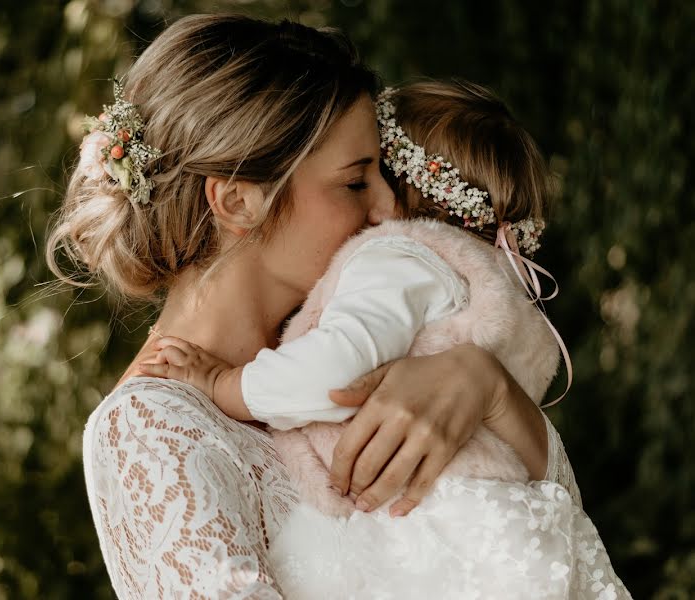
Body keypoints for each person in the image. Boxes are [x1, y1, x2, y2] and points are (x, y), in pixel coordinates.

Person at [48, 14, 584, 598]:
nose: (388, 210)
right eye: (355, 183)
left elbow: (554, 548)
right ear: (238, 201)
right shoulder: (150, 428)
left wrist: (494, 392)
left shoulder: (379, 348)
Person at [141, 81, 632, 598]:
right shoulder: (490, 286)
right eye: (355, 182)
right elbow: (552, 493)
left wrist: (224, 383)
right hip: (505, 529)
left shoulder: (397, 258)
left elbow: (331, 374)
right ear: (238, 200)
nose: (375, 206)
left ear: (413, 187)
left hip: (426, 530)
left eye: (380, 176)